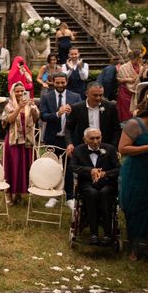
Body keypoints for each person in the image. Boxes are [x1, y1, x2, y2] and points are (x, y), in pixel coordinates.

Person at [118, 91, 148, 263]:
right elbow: (123, 149)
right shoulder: (134, 124)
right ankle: (133, 248)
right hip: (138, 175)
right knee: (137, 210)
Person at [70, 127, 120, 246]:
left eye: (98, 138)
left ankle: (108, 235)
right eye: (92, 138)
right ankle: (94, 235)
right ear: (85, 139)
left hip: (106, 183)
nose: (96, 141)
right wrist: (90, 170)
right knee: (92, 194)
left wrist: (105, 174)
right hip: (87, 183)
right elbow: (72, 167)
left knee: (105, 193)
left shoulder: (110, 149)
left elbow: (119, 168)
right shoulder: (78, 150)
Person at [39, 72, 82, 207]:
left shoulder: (75, 96)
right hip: (52, 137)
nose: (60, 85)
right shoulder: (46, 96)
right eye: (57, 83)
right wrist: (58, 113)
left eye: (62, 82)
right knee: (53, 167)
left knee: (69, 167)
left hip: (69, 139)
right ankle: (53, 195)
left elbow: (81, 117)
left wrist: (73, 112)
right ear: (53, 82)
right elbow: (43, 116)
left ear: (66, 82)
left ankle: (70, 196)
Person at [2, 82, 39, 204]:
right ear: (12, 92)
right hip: (13, 141)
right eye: (17, 91)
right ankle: (8, 193)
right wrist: (18, 108)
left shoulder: (29, 104)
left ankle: (18, 193)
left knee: (23, 168)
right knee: (11, 167)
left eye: (22, 91)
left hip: (27, 141)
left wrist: (33, 107)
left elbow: (36, 119)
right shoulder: (9, 106)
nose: (19, 93)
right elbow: (9, 120)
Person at [65, 82, 121, 153]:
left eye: (100, 95)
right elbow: (69, 128)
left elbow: (117, 129)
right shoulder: (77, 108)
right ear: (86, 94)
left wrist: (113, 147)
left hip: (105, 148)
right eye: (95, 95)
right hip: (83, 148)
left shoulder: (110, 107)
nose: (98, 98)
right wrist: (69, 143)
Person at [116, 50, 142, 121]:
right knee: (125, 111)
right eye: (140, 58)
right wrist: (128, 80)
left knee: (135, 112)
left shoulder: (141, 68)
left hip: (136, 92)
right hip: (125, 92)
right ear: (136, 58)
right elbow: (119, 79)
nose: (141, 60)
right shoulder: (123, 67)